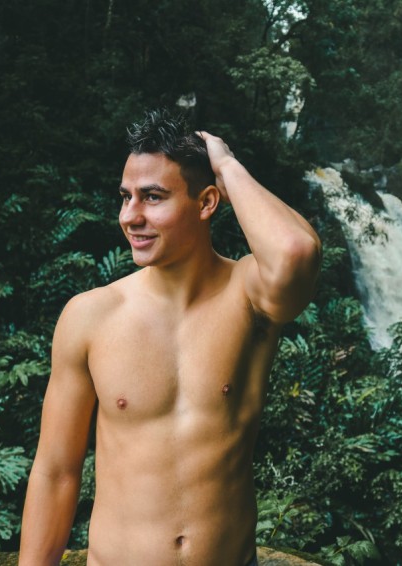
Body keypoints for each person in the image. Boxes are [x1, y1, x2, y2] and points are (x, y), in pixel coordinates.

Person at [18, 110, 322, 566]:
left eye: (152, 197)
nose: (130, 217)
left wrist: (227, 164)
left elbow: (296, 253)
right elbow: (57, 472)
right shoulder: (91, 316)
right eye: (126, 197)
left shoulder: (250, 297)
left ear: (206, 203)